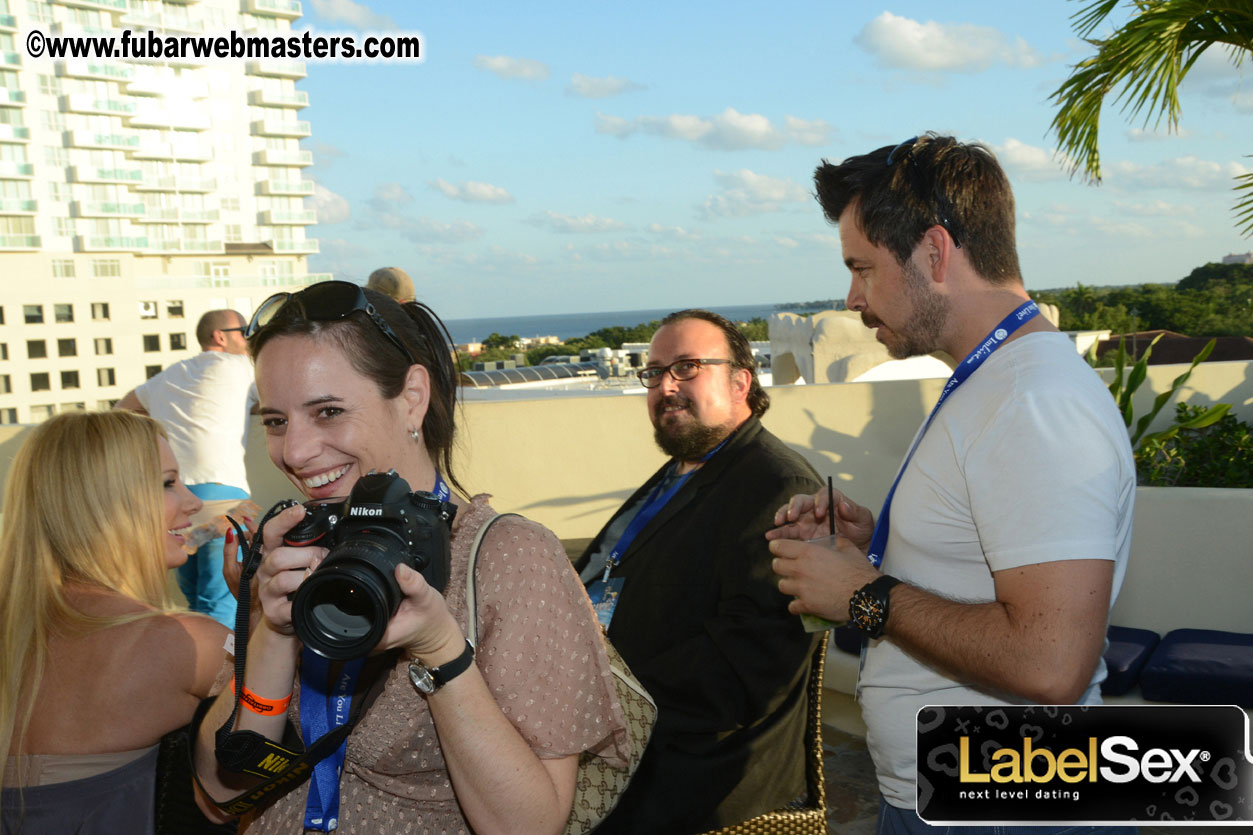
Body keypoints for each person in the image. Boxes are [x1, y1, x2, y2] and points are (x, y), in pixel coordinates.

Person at [768, 134, 1136, 835]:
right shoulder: (995, 384)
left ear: (934, 253)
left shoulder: (1032, 403)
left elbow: (1050, 662)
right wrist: (869, 544)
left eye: (862, 268)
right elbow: (983, 562)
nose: (851, 297)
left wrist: (862, 595)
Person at [190, 280, 629, 834]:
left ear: (412, 398)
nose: (294, 453)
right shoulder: (296, 546)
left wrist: (440, 649)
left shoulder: (505, 558)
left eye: (327, 411)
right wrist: (272, 632)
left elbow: (528, 827)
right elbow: (218, 791)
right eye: (276, 421)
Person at [573, 309, 824, 834]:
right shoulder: (683, 470)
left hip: (688, 775)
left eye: (688, 367)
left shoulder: (777, 487)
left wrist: (601, 700)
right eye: (654, 371)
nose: (666, 386)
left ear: (741, 383)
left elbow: (751, 663)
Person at [0, 411, 232, 835]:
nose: (193, 502)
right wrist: (264, 616)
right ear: (103, 503)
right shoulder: (184, 643)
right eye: (167, 483)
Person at [118, 308, 258, 629]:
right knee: (222, 597)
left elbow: (122, 409)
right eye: (244, 331)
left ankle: (194, 674)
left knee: (194, 598)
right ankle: (218, 677)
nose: (250, 338)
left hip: (176, 504)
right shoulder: (243, 367)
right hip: (225, 501)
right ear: (220, 336)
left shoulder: (170, 374)